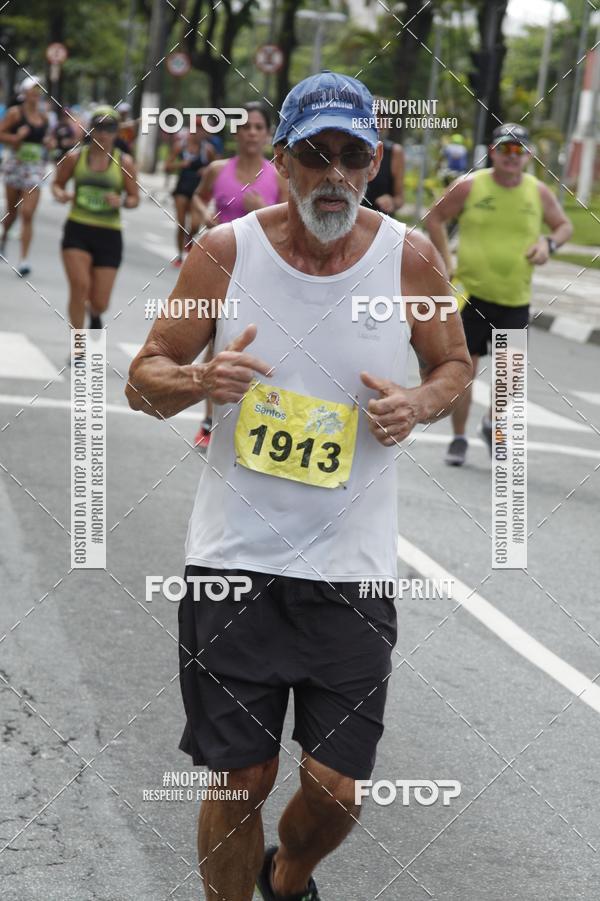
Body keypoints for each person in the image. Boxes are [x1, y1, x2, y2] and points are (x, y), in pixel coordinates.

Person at [126, 70, 470, 901]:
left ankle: (289, 877)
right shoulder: (225, 252)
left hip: (352, 570)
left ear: (375, 161)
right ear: (282, 159)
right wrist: (202, 378)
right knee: (241, 777)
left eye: (354, 155)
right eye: (316, 154)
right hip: (234, 560)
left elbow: (455, 362)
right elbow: (143, 379)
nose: (336, 174)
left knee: (334, 789)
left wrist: (420, 402)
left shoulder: (409, 259)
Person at [425, 123, 573, 466]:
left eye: (519, 150)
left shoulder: (538, 193)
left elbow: (563, 225)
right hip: (472, 296)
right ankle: (459, 438)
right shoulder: (470, 186)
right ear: (493, 152)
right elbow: (435, 218)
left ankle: (491, 424)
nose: (511, 156)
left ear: (529, 156)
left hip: (515, 299)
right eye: (505, 149)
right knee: (463, 373)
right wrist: (445, 261)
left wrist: (547, 244)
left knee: (509, 379)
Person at [190, 101, 288, 449]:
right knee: (216, 338)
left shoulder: (277, 177)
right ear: (236, 132)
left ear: (268, 134)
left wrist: (262, 210)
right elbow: (197, 200)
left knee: (252, 342)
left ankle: (257, 420)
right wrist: (206, 217)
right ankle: (208, 419)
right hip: (218, 266)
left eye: (259, 127)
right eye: (245, 126)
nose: (251, 133)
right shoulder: (218, 169)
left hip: (259, 273)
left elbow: (292, 221)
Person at [52, 106, 139, 335]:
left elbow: (134, 198)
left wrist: (121, 201)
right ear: (91, 129)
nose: (103, 134)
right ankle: (78, 345)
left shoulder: (125, 163)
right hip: (77, 230)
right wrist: (61, 195)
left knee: (100, 302)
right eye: (98, 128)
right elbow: (57, 184)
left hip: (109, 235)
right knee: (79, 287)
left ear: (117, 132)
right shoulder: (74, 157)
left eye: (109, 128)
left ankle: (94, 313)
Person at [0, 76, 50, 275]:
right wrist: (15, 138)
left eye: (39, 90)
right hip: (15, 165)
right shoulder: (15, 113)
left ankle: (24, 260)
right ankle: (3, 239)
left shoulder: (44, 116)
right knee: (12, 212)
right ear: (25, 92)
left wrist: (48, 143)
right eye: (33, 89)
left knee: (27, 213)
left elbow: (46, 138)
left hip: (34, 168)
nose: (36, 93)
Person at [165, 122, 216, 266]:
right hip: (182, 188)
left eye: (204, 130)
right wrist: (180, 165)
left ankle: (189, 238)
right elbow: (167, 166)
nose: (201, 133)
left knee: (194, 225)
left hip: (198, 192)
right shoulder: (180, 146)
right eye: (198, 129)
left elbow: (215, 169)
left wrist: (206, 170)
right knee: (181, 223)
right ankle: (180, 256)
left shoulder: (208, 150)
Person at [362, 99, 404, 214]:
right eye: (373, 116)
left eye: (383, 117)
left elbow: (400, 198)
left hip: (381, 225)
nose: (377, 122)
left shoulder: (395, 152)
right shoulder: (347, 148)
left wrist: (392, 201)